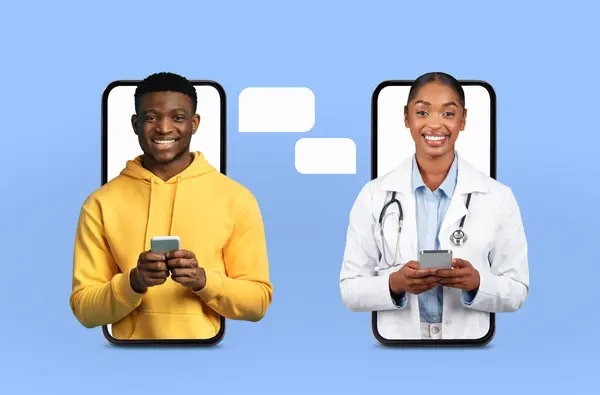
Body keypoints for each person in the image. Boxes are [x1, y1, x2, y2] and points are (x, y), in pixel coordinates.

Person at [70, 72, 273, 340]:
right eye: (151, 117)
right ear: (135, 123)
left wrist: (203, 281)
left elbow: (258, 303)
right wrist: (133, 283)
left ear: (194, 123)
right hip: (126, 362)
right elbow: (84, 310)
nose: (164, 128)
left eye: (177, 117)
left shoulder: (236, 198)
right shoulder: (100, 203)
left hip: (207, 360)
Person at [339, 72, 529, 341]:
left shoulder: (499, 198)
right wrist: (395, 284)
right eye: (423, 112)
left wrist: (477, 284)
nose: (436, 125)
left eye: (448, 114)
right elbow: (349, 290)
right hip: (397, 345)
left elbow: (517, 289)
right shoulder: (373, 196)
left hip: (469, 345)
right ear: (407, 117)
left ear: (463, 120)